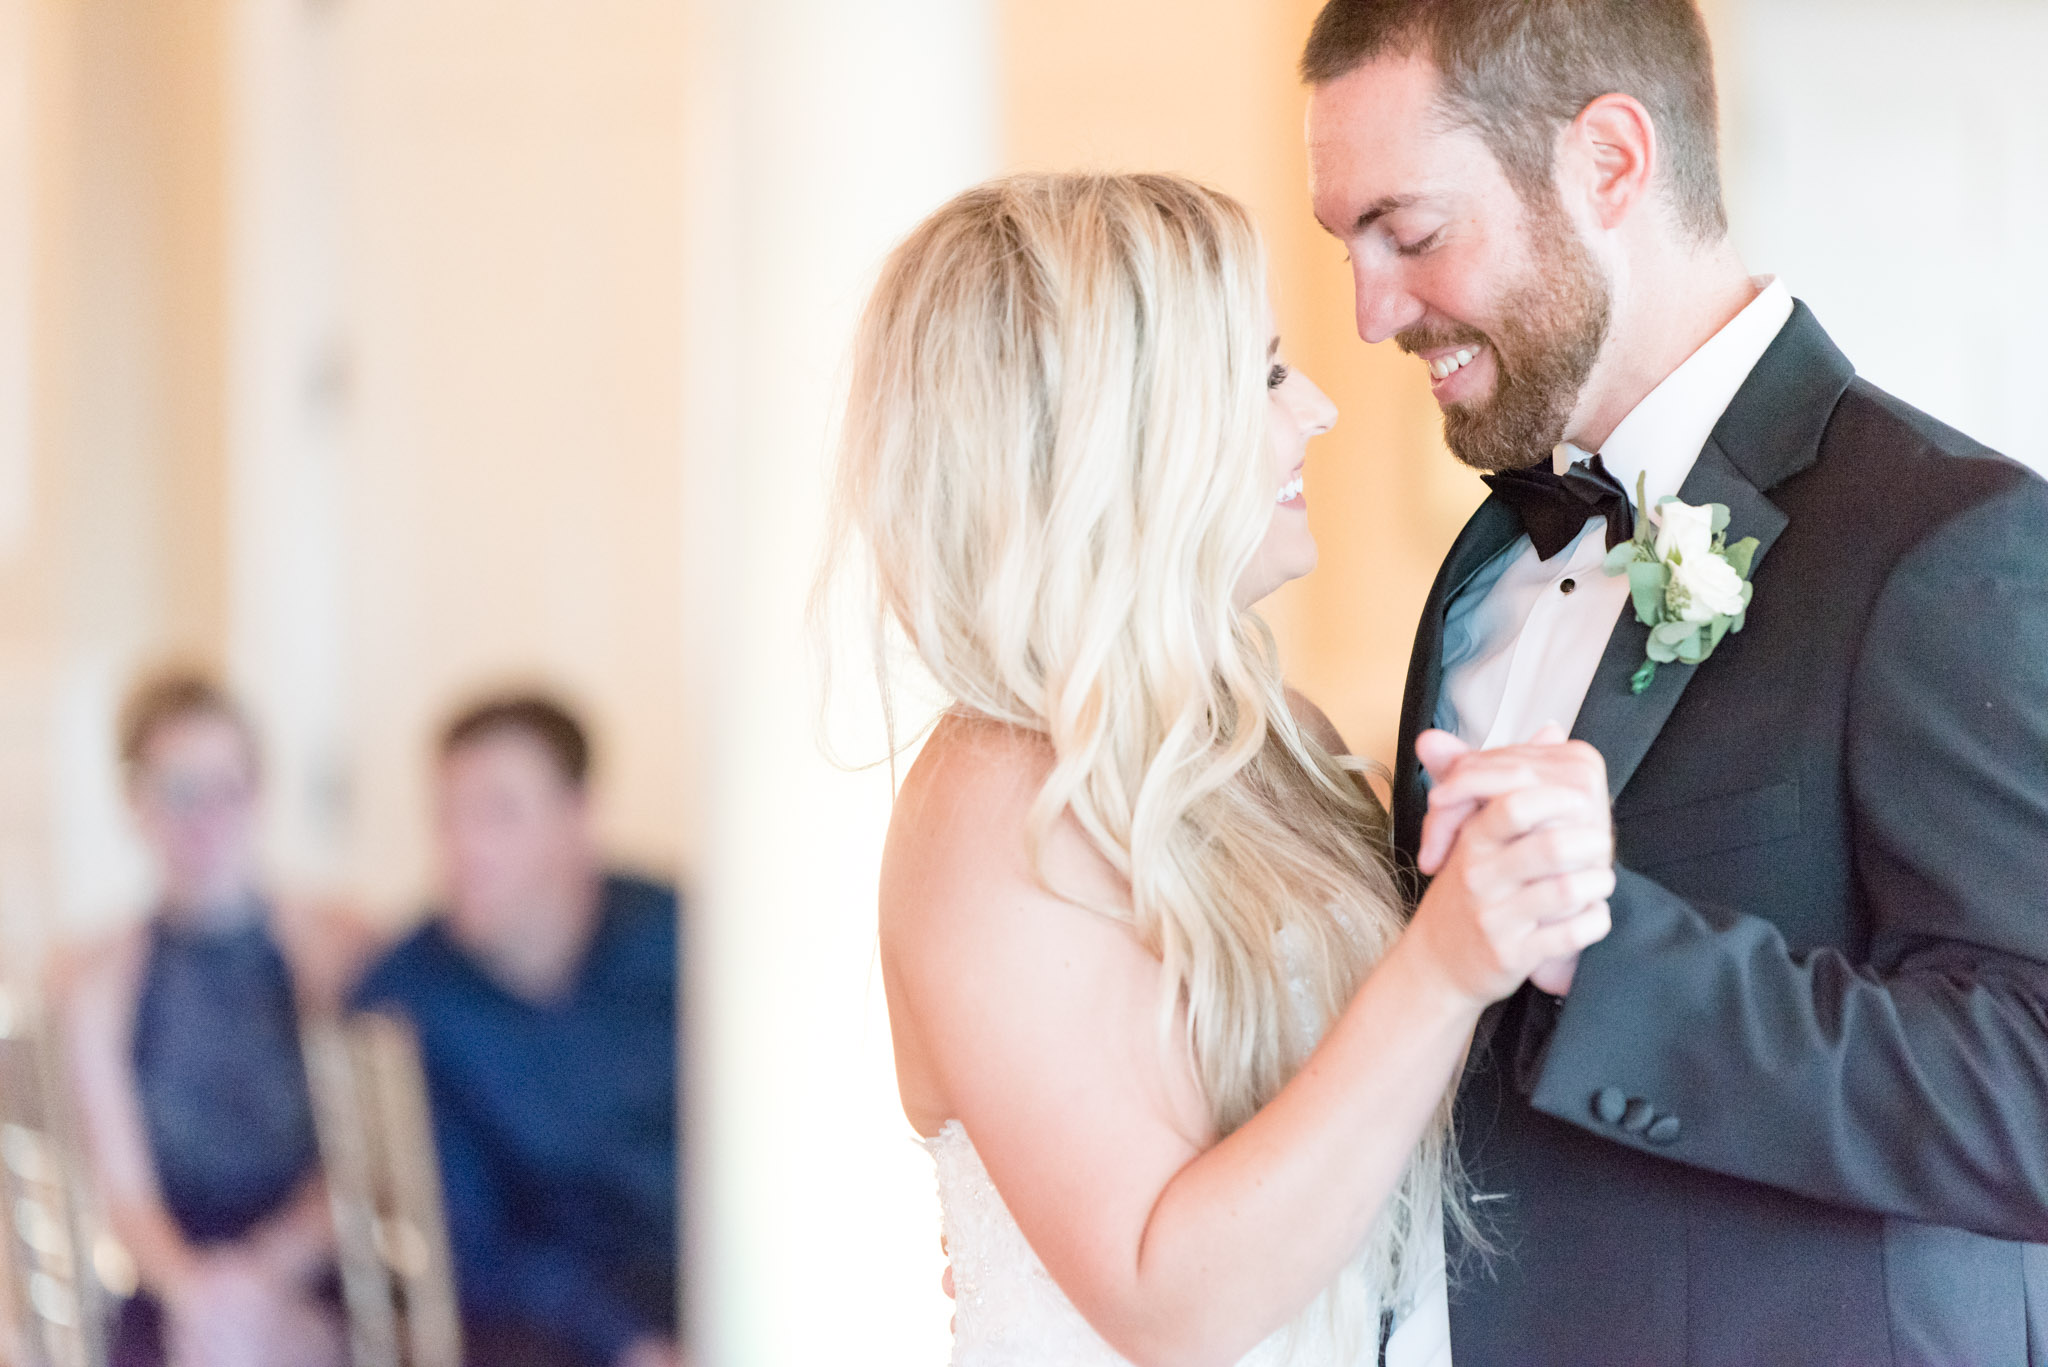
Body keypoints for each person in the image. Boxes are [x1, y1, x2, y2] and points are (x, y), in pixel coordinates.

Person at [1300, 1, 2048, 1362]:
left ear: (1609, 164)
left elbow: (2030, 1092)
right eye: (1348, 247)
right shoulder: (1479, 569)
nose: (1369, 314)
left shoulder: (1946, 543)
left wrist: (1607, 947)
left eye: (1410, 236)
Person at [835, 173, 1614, 1366]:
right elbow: (1168, 1303)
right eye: (1259, 375)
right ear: (1115, 437)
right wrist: (1444, 961)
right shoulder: (994, 799)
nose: (1315, 408)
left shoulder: (1280, 744)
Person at [351, 694, 681, 1367]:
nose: (465, 846)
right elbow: (466, 1246)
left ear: (578, 816)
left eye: (498, 812)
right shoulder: (402, 998)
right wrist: (629, 1344)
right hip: (535, 1331)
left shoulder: (687, 942)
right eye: (449, 815)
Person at [55, 671, 368, 1367]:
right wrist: (195, 1291)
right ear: (135, 801)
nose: (206, 817)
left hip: (313, 1270)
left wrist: (260, 1276)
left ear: (258, 794)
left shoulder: (336, 951)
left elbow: (355, 1163)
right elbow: (124, 1191)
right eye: (178, 791)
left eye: (227, 788)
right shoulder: (95, 982)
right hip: (166, 1280)